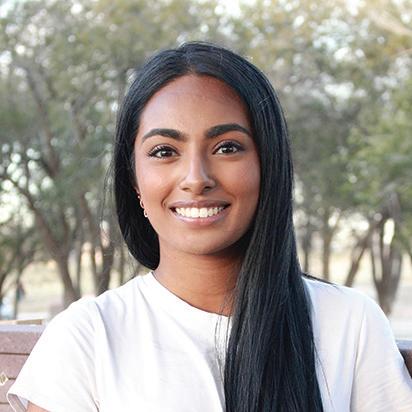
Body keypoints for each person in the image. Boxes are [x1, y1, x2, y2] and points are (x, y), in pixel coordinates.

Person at [7, 41, 412, 412]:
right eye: (164, 151)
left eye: (227, 147)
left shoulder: (348, 323)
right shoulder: (89, 338)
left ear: (268, 165)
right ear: (134, 181)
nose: (196, 178)